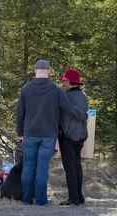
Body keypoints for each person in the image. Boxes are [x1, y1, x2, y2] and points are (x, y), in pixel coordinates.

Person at [16, 59, 87, 206]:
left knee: (28, 166)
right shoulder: (56, 90)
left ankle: (27, 199)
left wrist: (20, 132)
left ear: (35, 70)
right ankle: (41, 200)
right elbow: (68, 108)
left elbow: (20, 113)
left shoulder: (26, 89)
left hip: (30, 133)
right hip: (48, 135)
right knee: (42, 166)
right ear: (48, 71)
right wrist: (82, 115)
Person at [59, 68, 88, 206]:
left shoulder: (67, 97)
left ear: (70, 82)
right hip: (80, 136)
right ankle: (79, 196)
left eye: (64, 80)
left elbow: (77, 115)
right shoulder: (82, 96)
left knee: (70, 168)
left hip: (69, 136)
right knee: (77, 166)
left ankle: (73, 198)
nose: (63, 82)